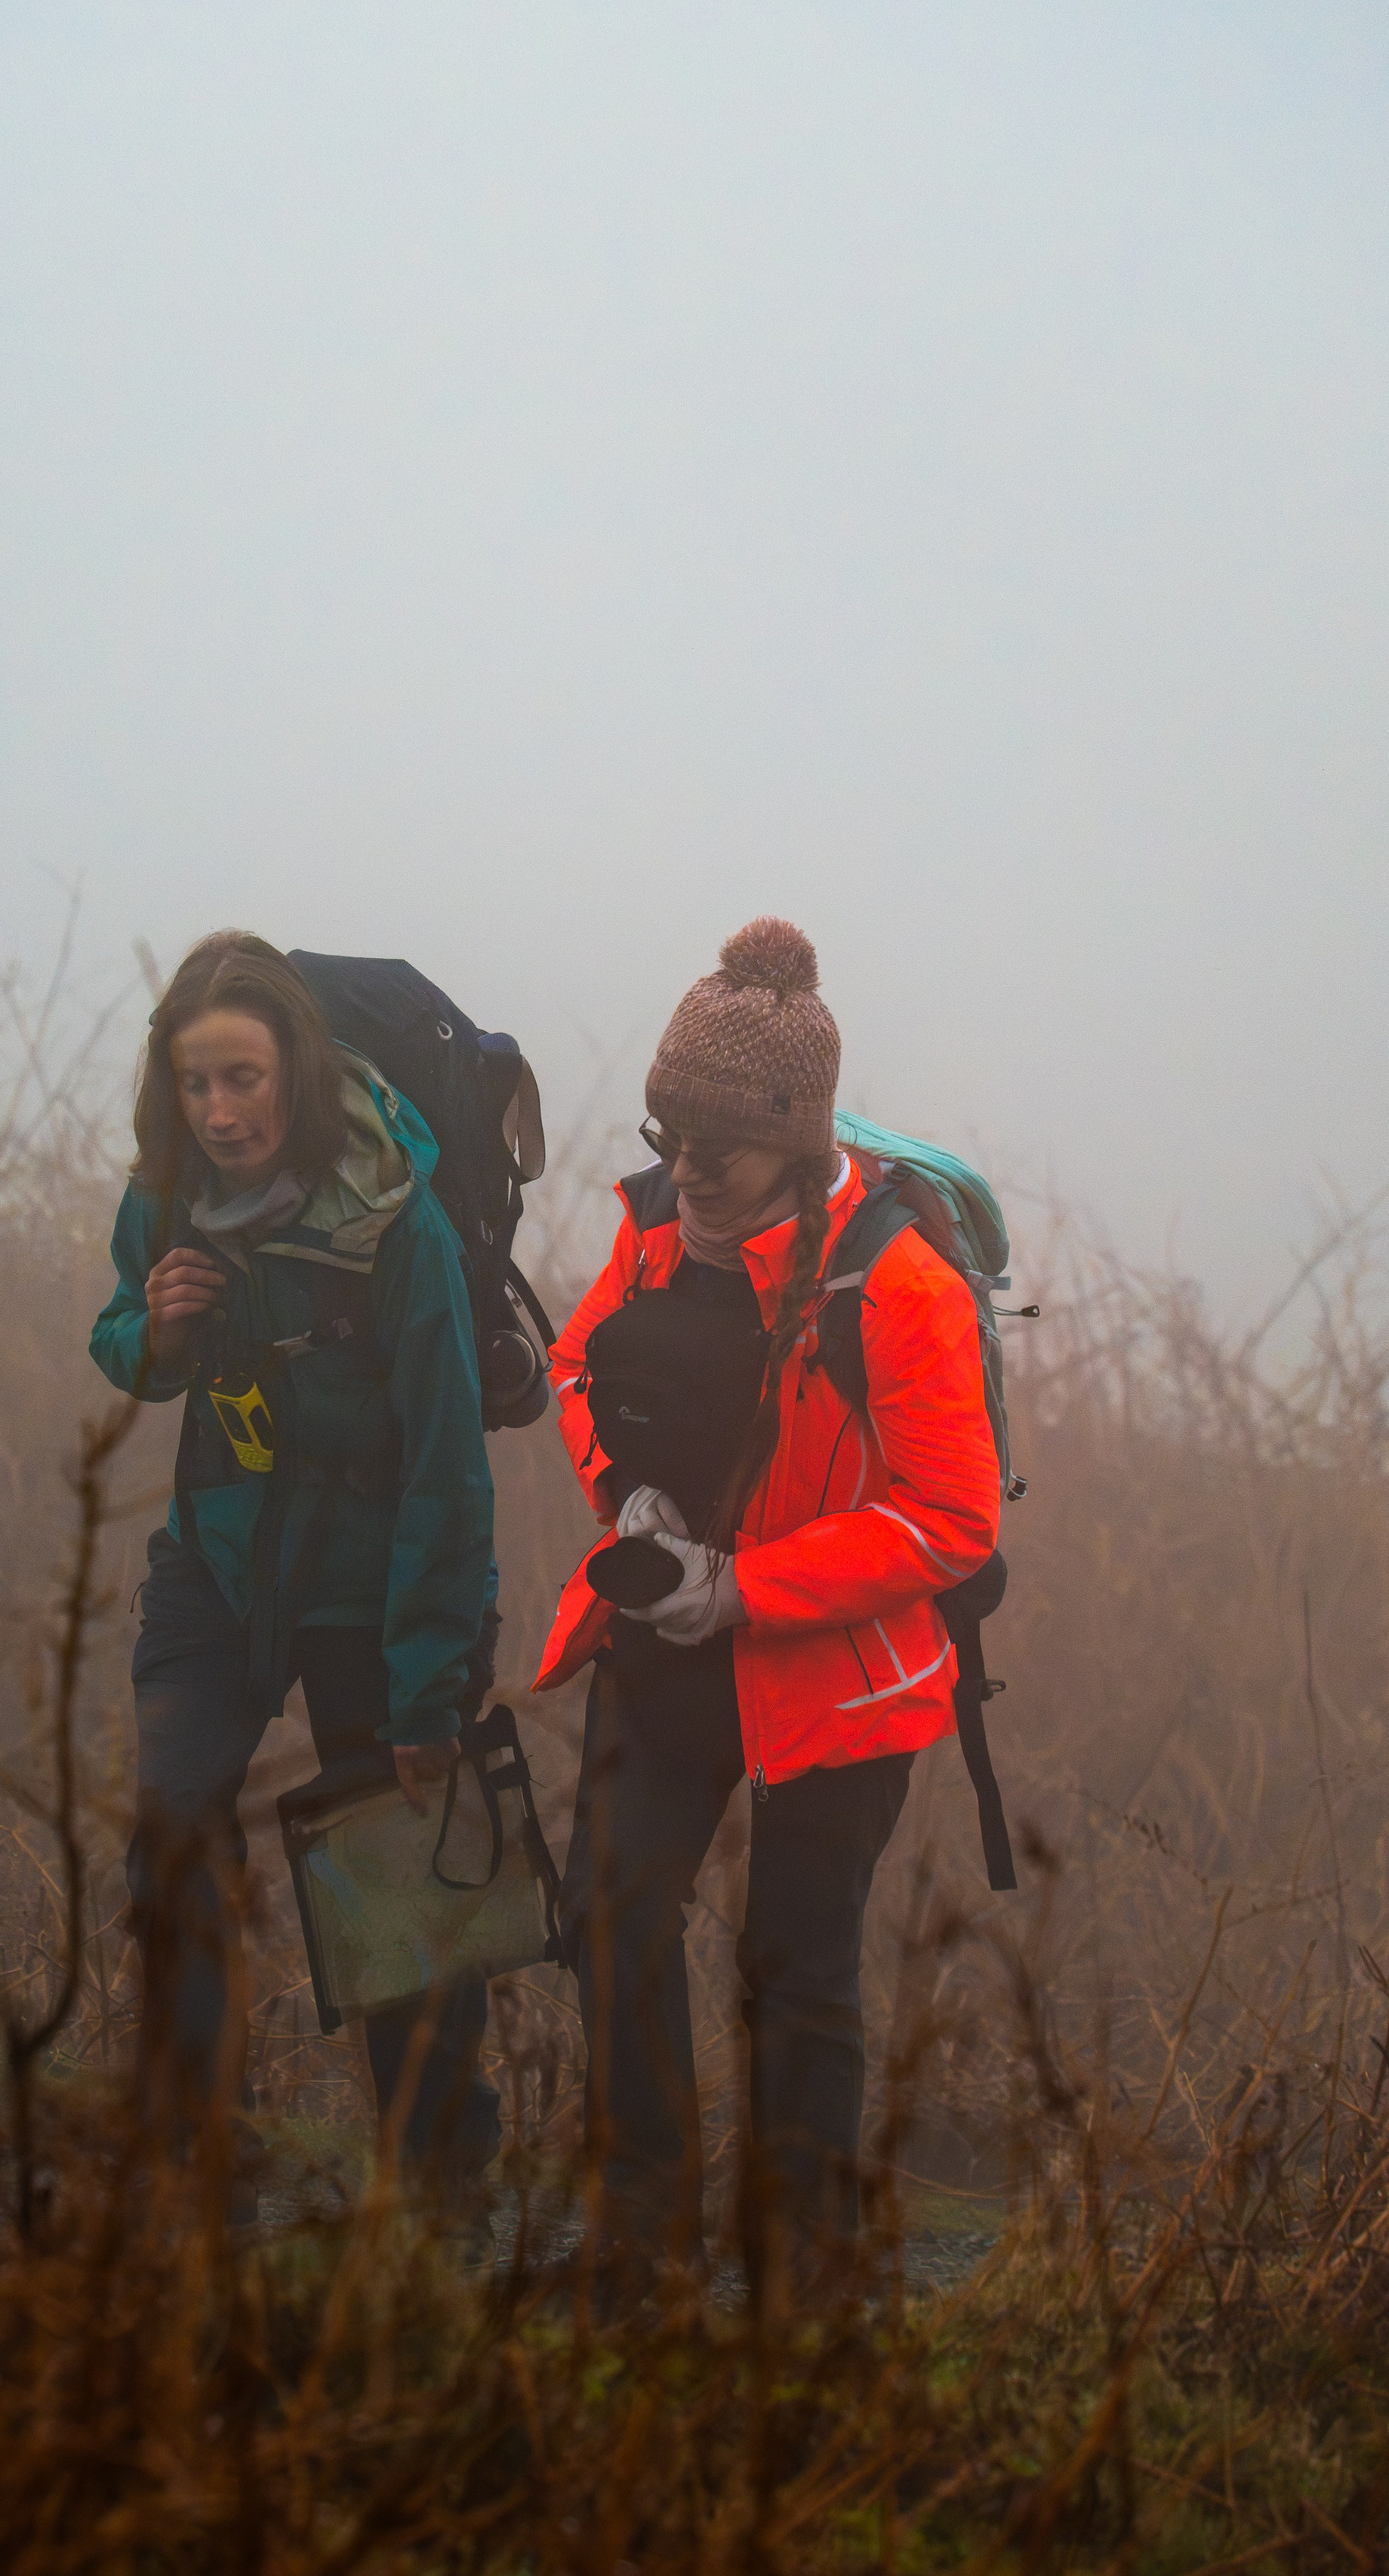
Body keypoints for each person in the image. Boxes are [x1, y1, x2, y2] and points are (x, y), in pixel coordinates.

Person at [534, 916, 1002, 2286]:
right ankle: (642, 2246)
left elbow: (953, 1519)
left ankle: (803, 2287)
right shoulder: (659, 1229)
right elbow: (574, 1368)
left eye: (715, 1149)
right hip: (666, 1640)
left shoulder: (897, 1285)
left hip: (840, 1673)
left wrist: (746, 1590)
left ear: (799, 1142)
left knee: (794, 1972)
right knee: (607, 1916)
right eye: (667, 1133)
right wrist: (625, 1498)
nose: (683, 1171)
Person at [91, 931, 500, 2214]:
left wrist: (431, 1685)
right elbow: (125, 1340)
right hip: (217, 1565)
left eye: (245, 1080)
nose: (220, 1112)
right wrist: (147, 1331)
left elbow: (449, 1466)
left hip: (372, 1590)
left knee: (391, 1880)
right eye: (197, 1084)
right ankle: (194, 2150)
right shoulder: (163, 1193)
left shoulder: (400, 1225)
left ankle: (437, 2182)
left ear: (300, 1073)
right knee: (171, 1831)